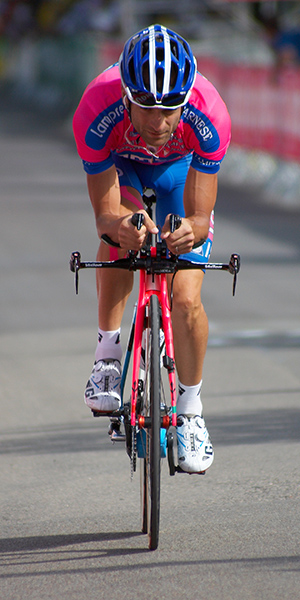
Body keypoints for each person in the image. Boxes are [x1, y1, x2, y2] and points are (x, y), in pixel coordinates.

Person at [73, 24, 231, 473]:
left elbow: (200, 219)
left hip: (180, 173)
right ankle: (107, 355)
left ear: (186, 101)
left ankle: (192, 412)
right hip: (123, 168)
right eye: (145, 107)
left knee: (186, 297)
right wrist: (120, 225)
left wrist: (192, 230)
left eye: (169, 109)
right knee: (124, 236)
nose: (159, 122)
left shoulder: (210, 113)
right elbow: (105, 217)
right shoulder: (95, 109)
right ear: (125, 94)